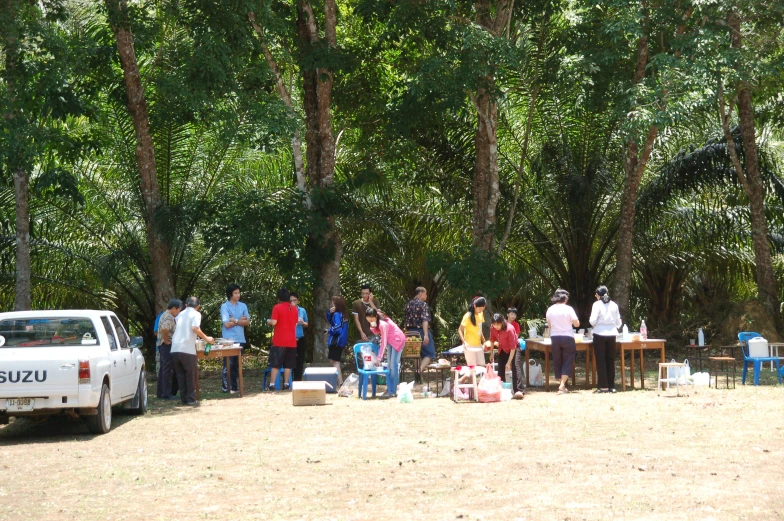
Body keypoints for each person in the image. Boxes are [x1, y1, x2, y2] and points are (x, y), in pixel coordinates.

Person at [170, 296, 214, 406]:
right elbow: (195, 328)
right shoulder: (196, 314)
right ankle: (190, 399)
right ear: (198, 307)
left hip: (175, 348)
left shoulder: (180, 314)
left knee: (180, 374)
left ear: (186, 305)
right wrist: (207, 338)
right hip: (187, 349)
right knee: (190, 374)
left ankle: (184, 398)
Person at [545, 289, 580, 395]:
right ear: (565, 299)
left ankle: (562, 385)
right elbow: (577, 324)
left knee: (557, 360)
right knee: (568, 359)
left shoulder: (550, 309)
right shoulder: (569, 309)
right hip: (568, 337)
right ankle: (562, 385)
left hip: (555, 337)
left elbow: (549, 325)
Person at [365, 307, 406, 396]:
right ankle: (390, 388)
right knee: (389, 366)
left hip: (398, 340)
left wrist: (379, 358)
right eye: (369, 321)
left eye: (372, 320)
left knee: (393, 366)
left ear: (375, 316)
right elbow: (376, 332)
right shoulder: (378, 320)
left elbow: (383, 342)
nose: (371, 321)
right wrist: (372, 326)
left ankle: (392, 390)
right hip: (391, 341)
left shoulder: (383, 324)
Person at [589, 285, 622, 393]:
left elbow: (592, 321)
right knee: (610, 359)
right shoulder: (614, 304)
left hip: (599, 334)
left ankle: (603, 386)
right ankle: (611, 385)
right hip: (612, 334)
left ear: (597, 295)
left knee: (601, 360)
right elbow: (618, 322)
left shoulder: (597, 304)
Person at [266, 287, 299, 391]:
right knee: (288, 364)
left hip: (280, 339)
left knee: (276, 363)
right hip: (291, 340)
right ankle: (286, 383)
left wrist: (269, 321)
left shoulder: (277, 307)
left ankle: (272, 384)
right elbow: (296, 323)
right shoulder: (294, 308)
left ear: (279, 297)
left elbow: (274, 322)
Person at [220, 283, 250, 393]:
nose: (238, 295)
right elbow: (226, 324)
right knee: (228, 363)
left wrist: (235, 320)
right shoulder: (225, 306)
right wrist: (238, 320)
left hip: (240, 339)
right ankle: (226, 387)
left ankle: (234, 387)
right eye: (235, 293)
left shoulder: (243, 306)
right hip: (228, 339)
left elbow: (247, 322)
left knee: (236, 365)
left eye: (239, 293)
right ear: (230, 294)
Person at [488, 313, 524, 399]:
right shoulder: (492, 328)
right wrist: (491, 353)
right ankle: (501, 388)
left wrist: (509, 362)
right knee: (500, 367)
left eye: (498, 324)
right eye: (494, 324)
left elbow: (513, 347)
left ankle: (518, 390)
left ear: (502, 322)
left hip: (514, 348)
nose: (496, 326)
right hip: (502, 348)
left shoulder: (510, 329)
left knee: (515, 367)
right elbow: (492, 340)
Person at [404, 287, 436, 375]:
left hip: (410, 332)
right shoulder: (423, 305)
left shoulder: (408, 305)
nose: (426, 296)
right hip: (420, 331)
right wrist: (426, 334)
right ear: (420, 293)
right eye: (425, 294)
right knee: (430, 353)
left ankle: (418, 377)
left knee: (416, 354)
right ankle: (419, 370)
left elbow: (405, 321)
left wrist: (406, 334)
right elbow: (425, 320)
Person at [156, 299, 182, 399]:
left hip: (162, 345)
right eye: (178, 310)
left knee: (164, 368)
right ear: (174, 308)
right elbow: (164, 328)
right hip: (166, 345)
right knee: (168, 369)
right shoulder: (169, 317)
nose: (178, 312)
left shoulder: (164, 314)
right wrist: (166, 340)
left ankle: (161, 393)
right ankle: (167, 394)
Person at [326, 296, 349, 385]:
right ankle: (338, 381)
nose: (332, 304)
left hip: (337, 341)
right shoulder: (343, 314)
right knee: (333, 361)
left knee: (335, 362)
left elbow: (337, 328)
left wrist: (329, 331)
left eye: (333, 303)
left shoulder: (337, 314)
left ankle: (340, 382)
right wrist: (330, 313)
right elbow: (332, 322)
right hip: (342, 341)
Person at [458, 297, 487, 366]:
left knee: (482, 366)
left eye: (482, 309)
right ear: (475, 306)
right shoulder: (467, 316)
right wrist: (464, 342)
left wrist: (484, 342)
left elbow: (480, 330)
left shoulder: (481, 314)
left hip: (478, 345)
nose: (480, 311)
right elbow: (459, 330)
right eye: (479, 309)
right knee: (472, 369)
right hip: (469, 346)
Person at [290, 291, 309, 380]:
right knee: (290, 359)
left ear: (298, 301)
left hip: (300, 337)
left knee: (300, 359)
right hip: (289, 338)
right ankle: (289, 380)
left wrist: (303, 322)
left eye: (295, 300)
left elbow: (307, 324)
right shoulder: (286, 310)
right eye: (291, 301)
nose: (293, 302)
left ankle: (298, 379)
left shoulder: (302, 310)